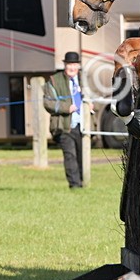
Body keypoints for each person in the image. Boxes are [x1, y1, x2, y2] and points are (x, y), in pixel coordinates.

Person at [43, 51, 90, 189]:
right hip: (64, 126)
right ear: (65, 65)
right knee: (70, 155)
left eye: (75, 64)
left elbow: (89, 97)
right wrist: (66, 108)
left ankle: (83, 183)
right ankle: (74, 185)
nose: (72, 67)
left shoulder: (83, 79)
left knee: (82, 155)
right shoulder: (54, 81)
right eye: (69, 64)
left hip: (82, 125)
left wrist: (90, 105)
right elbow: (48, 103)